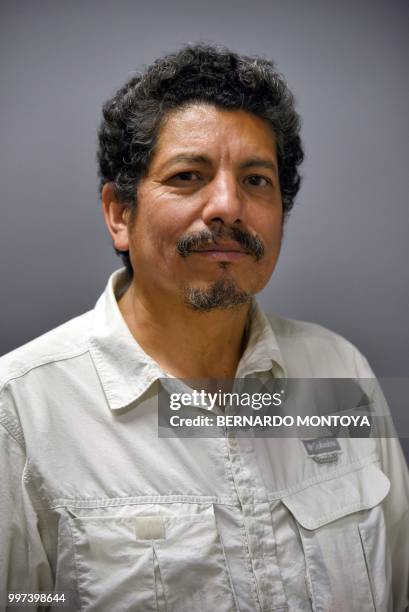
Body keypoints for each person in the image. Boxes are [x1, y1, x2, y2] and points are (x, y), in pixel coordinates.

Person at [0, 44, 408, 612]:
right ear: (120, 214)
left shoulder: (339, 374)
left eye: (257, 180)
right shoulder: (23, 411)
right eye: (188, 176)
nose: (228, 206)